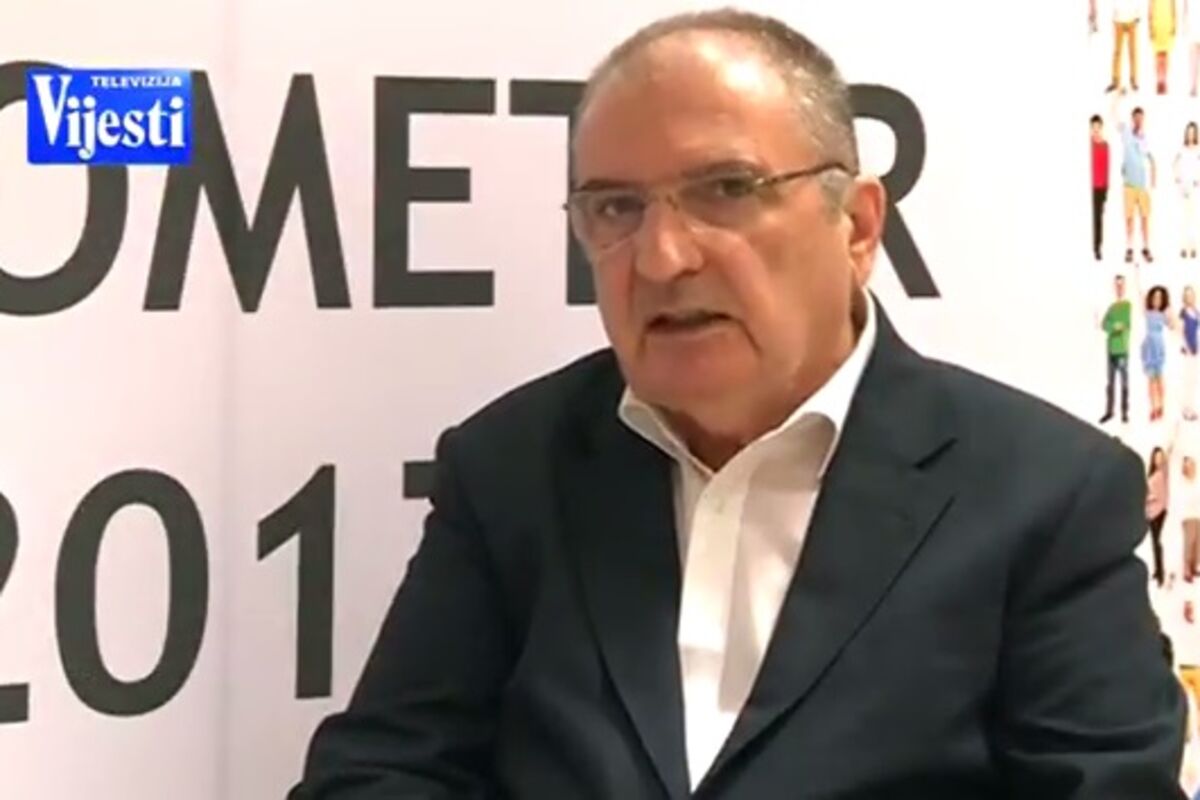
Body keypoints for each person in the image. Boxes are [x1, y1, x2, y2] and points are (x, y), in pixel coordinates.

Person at [291, 10, 1187, 799]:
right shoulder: (511, 468)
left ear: (858, 225)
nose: (662, 257)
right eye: (615, 208)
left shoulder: (1043, 495)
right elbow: (379, 774)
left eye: (726, 190)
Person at [1112, 91, 1157, 263]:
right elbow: (1113, 114)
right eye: (1136, 117)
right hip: (1129, 185)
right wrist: (1118, 97)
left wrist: (1154, 177)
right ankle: (1129, 248)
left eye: (1141, 118)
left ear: (1143, 120)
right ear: (1132, 119)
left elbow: (1151, 158)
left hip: (1143, 186)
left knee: (1145, 219)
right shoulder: (1126, 132)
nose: (1139, 120)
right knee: (1129, 219)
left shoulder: (1145, 138)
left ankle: (1146, 248)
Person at [1143, 285, 1178, 421]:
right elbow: (1140, 293)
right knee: (1151, 380)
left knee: (1159, 378)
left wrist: (1171, 310)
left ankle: (1161, 405)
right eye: (1155, 297)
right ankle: (1153, 407)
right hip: (1148, 348)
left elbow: (1173, 326)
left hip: (1158, 347)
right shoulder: (1147, 312)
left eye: (1159, 297)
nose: (1157, 300)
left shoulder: (1163, 315)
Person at [1103, 274, 1134, 423]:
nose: (1119, 287)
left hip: (1122, 349)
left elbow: (1125, 324)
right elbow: (1105, 325)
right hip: (1111, 349)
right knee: (1110, 383)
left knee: (1124, 382)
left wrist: (1114, 326)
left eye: (1121, 285)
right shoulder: (1112, 307)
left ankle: (1124, 412)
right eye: (1117, 285)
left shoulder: (1128, 305)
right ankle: (1109, 411)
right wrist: (1114, 326)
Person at [1099, 0, 1143, 91]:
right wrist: (1113, 17)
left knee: (1132, 52)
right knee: (1117, 52)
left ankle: (1133, 81)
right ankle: (1115, 81)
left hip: (1132, 20)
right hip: (1118, 20)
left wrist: (1138, 15)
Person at [1177, 123, 1200, 258]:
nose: (1191, 135)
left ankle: (1193, 246)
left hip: (1195, 186)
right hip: (1184, 187)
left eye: (1193, 132)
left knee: (1194, 218)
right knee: (1184, 217)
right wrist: (1178, 178)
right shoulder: (1182, 149)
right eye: (1189, 132)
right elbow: (1175, 164)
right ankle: (1184, 247)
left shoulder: (1198, 149)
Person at [1152, 0, 1179, 94]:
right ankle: (1159, 81)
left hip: (1168, 24)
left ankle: (1164, 81)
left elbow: (1174, 8)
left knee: (1165, 56)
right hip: (1157, 24)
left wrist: (1174, 26)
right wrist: (1150, 27)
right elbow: (1150, 8)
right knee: (1158, 56)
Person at [1094, 114, 1111, 261]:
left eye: (1098, 127)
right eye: (1093, 128)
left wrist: (1106, 191)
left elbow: (1106, 168)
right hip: (1090, 187)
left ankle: (1097, 247)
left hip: (1100, 188)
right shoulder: (1088, 145)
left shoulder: (1105, 145)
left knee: (1098, 219)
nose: (1095, 130)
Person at [1183, 285, 1200, 418]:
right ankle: (1187, 410)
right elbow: (1181, 332)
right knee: (1187, 380)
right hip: (1187, 351)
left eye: (1191, 294)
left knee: (1194, 380)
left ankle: (1191, 407)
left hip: (1196, 350)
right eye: (1187, 295)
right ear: (1185, 297)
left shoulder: (1196, 312)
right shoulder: (1183, 312)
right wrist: (1186, 347)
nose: (1190, 297)